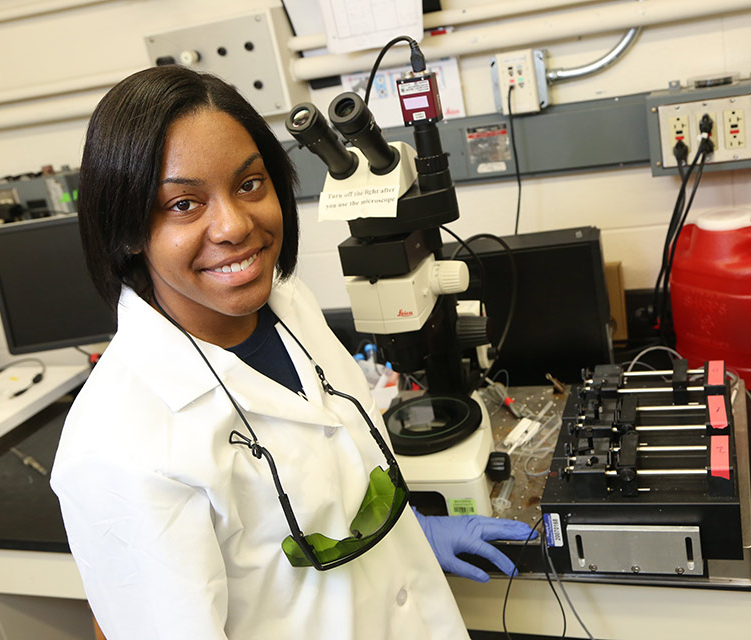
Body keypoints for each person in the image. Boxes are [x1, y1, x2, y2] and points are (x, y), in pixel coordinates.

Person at [51, 65, 535, 640]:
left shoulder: (288, 304)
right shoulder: (116, 446)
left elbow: (336, 483)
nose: (234, 225)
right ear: (126, 229)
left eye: (250, 184)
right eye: (184, 204)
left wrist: (415, 532)